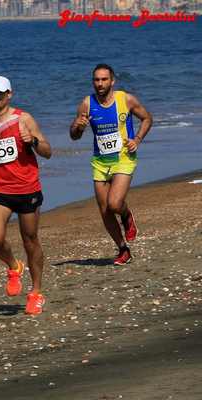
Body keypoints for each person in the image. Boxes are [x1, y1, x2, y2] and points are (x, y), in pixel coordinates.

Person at [0, 75, 52, 315]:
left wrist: (33, 141)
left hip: (27, 188)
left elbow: (48, 151)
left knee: (30, 240)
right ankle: (14, 266)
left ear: (9, 94)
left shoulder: (23, 119)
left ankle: (36, 292)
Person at [70, 64, 153, 265]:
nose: (100, 83)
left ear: (112, 81)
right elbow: (74, 136)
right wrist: (78, 127)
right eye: (96, 80)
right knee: (105, 210)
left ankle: (126, 216)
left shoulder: (126, 99)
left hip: (123, 158)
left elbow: (147, 119)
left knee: (115, 203)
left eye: (104, 79)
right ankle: (123, 249)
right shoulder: (86, 104)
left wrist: (138, 140)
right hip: (100, 161)